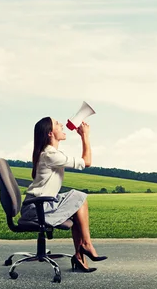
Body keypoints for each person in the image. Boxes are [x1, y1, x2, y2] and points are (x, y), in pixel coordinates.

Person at [20, 116, 107, 272]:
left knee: (78, 204)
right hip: (36, 207)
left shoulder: (51, 153)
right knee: (79, 197)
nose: (61, 124)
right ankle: (85, 246)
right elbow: (86, 162)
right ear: (50, 133)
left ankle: (80, 257)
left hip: (41, 204)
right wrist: (85, 136)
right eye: (57, 124)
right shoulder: (50, 155)